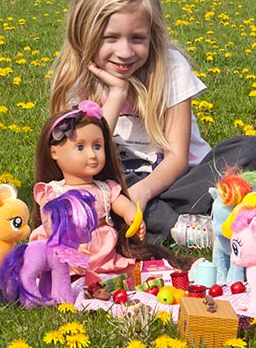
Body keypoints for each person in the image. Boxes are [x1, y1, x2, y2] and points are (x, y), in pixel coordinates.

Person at [49, 0, 256, 244]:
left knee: (252, 149)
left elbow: (177, 159)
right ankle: (181, 225)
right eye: (111, 38)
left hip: (179, 178)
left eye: (137, 38)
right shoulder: (77, 80)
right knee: (95, 187)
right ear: (84, 33)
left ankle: (147, 218)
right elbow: (81, 157)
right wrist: (117, 94)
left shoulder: (169, 67)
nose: (125, 52)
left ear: (151, 34)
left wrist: (142, 194)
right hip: (115, 182)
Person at [31, 100, 188, 274]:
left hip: (102, 252)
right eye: (80, 147)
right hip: (64, 248)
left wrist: (133, 217)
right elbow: (51, 223)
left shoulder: (105, 189)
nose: (92, 155)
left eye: (97, 146)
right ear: (54, 152)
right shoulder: (54, 192)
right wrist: (68, 245)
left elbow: (124, 206)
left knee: (121, 271)